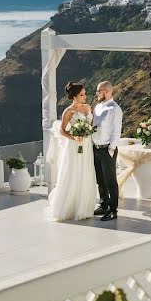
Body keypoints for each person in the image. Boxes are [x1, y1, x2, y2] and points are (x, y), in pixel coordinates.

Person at [47, 82, 98, 221]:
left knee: (85, 172)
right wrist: (74, 137)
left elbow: (91, 125)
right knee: (73, 172)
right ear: (74, 96)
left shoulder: (88, 107)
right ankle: (70, 207)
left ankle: (85, 207)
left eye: (85, 94)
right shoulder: (68, 112)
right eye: (82, 95)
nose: (85, 96)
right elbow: (62, 130)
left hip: (86, 145)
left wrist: (88, 133)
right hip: (74, 146)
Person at [93, 81, 123, 222]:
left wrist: (111, 149)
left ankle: (113, 210)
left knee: (110, 181)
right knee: (100, 180)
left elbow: (116, 131)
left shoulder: (115, 109)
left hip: (107, 150)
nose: (97, 93)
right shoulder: (97, 107)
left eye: (99, 91)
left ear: (107, 91)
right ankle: (104, 204)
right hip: (96, 149)